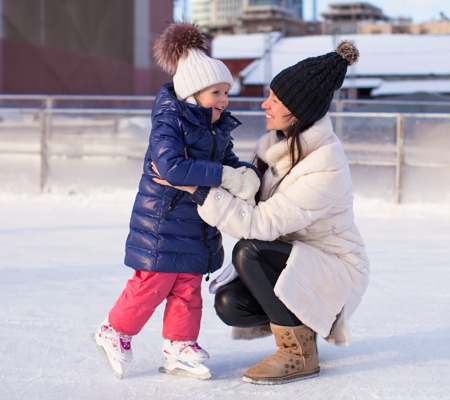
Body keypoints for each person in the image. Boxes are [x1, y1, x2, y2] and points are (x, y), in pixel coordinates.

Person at [153, 40, 370, 385]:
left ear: (297, 112)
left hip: (334, 266)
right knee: (230, 303)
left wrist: (199, 189)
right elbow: (252, 203)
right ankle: (301, 328)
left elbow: (261, 222)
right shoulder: (274, 148)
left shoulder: (325, 165)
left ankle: (299, 353)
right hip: (295, 257)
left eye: (275, 101)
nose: (264, 104)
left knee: (248, 251)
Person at [91, 22, 261, 380]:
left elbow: (226, 159)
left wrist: (243, 171)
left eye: (226, 92)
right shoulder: (170, 122)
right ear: (193, 92)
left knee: (188, 286)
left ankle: (179, 345)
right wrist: (224, 176)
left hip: (197, 223)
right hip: (163, 222)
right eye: (217, 92)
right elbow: (171, 167)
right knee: (153, 282)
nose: (224, 101)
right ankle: (114, 331)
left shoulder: (215, 127)